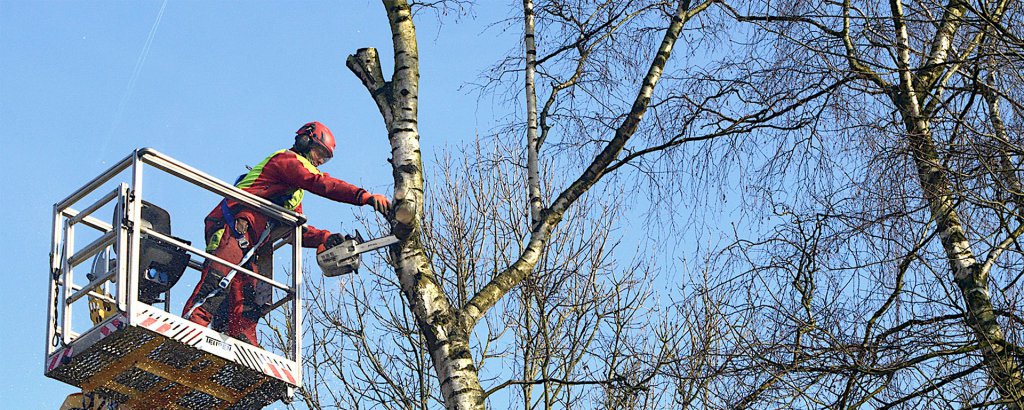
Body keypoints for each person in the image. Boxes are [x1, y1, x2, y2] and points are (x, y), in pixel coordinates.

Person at [181, 121, 391, 346]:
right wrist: (364, 196)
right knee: (218, 281)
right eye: (319, 152)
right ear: (304, 141)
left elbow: (295, 229)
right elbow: (321, 183)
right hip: (234, 226)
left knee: (249, 302)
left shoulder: (294, 193)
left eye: (325, 158)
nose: (320, 161)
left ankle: (243, 345)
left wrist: (324, 237)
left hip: (254, 244)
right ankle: (189, 329)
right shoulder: (286, 161)